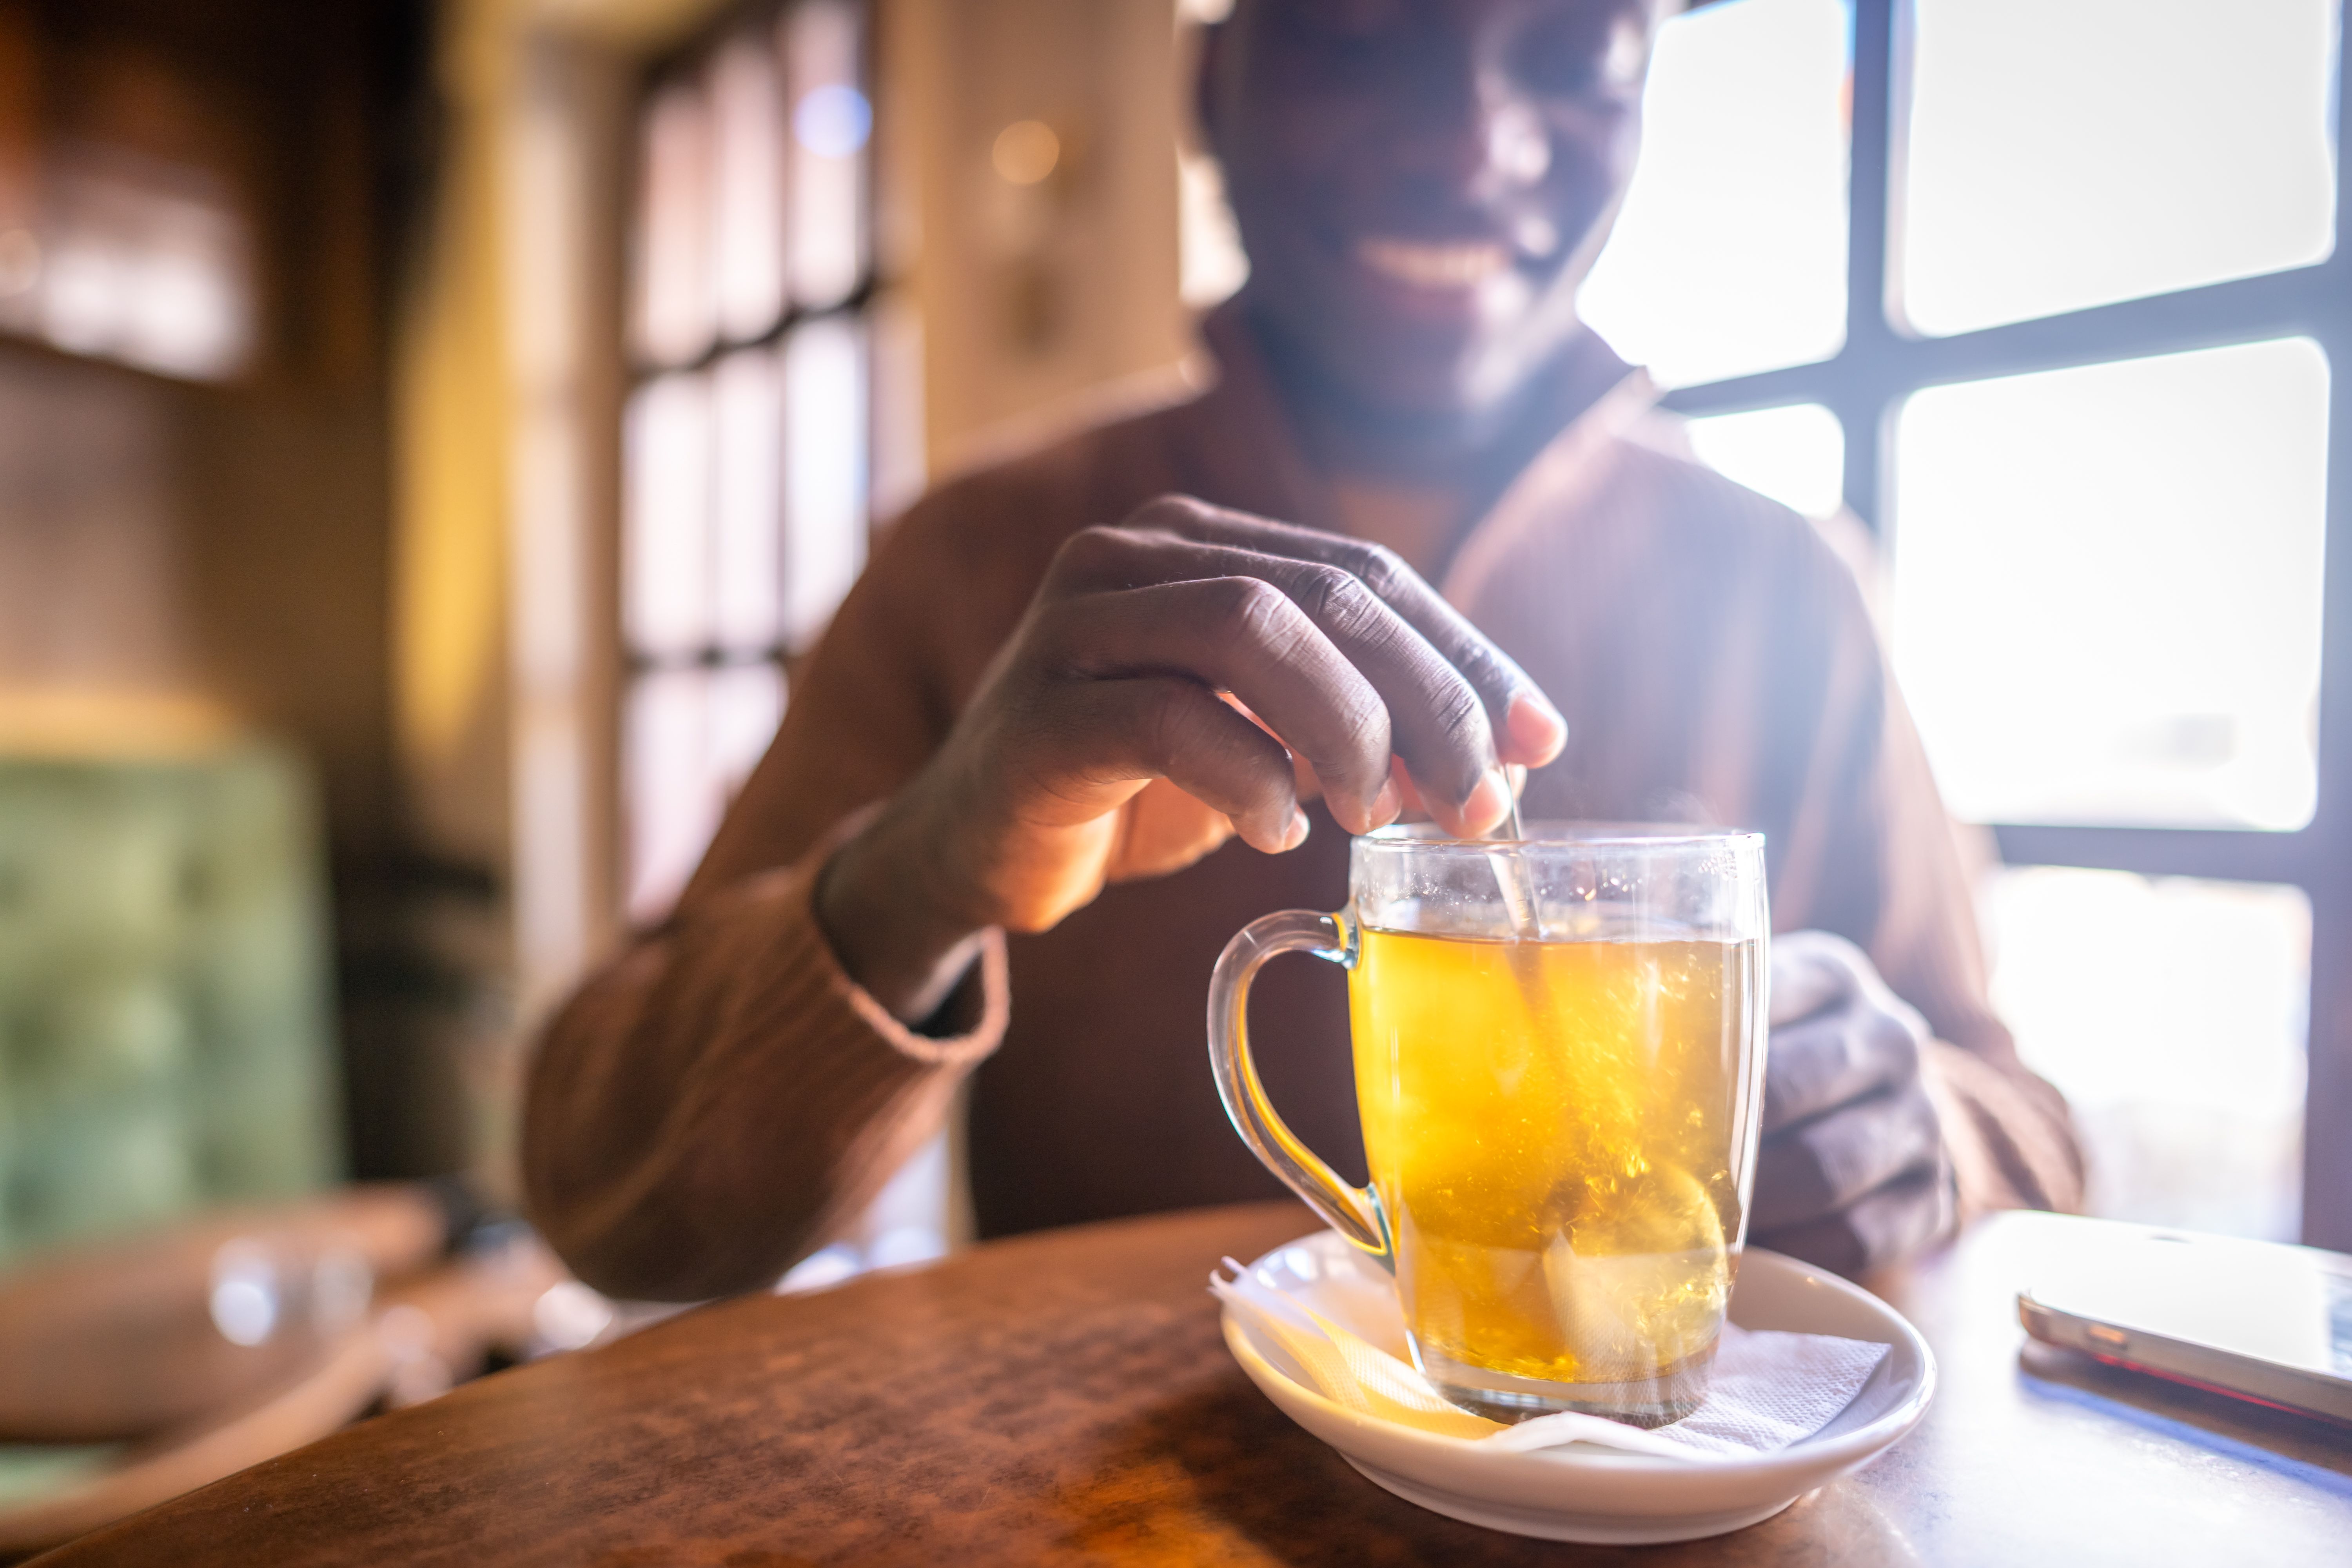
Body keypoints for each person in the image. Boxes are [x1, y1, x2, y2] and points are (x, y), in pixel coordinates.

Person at [524, 0, 2083, 1302]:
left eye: (1575, 50)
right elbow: (603, 1197)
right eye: (1363, 29)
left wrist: (1922, 1118)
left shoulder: (1786, 591)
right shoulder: (981, 562)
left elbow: (2028, 1126)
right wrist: (927, 868)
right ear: (1213, 86)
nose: (1470, 142)